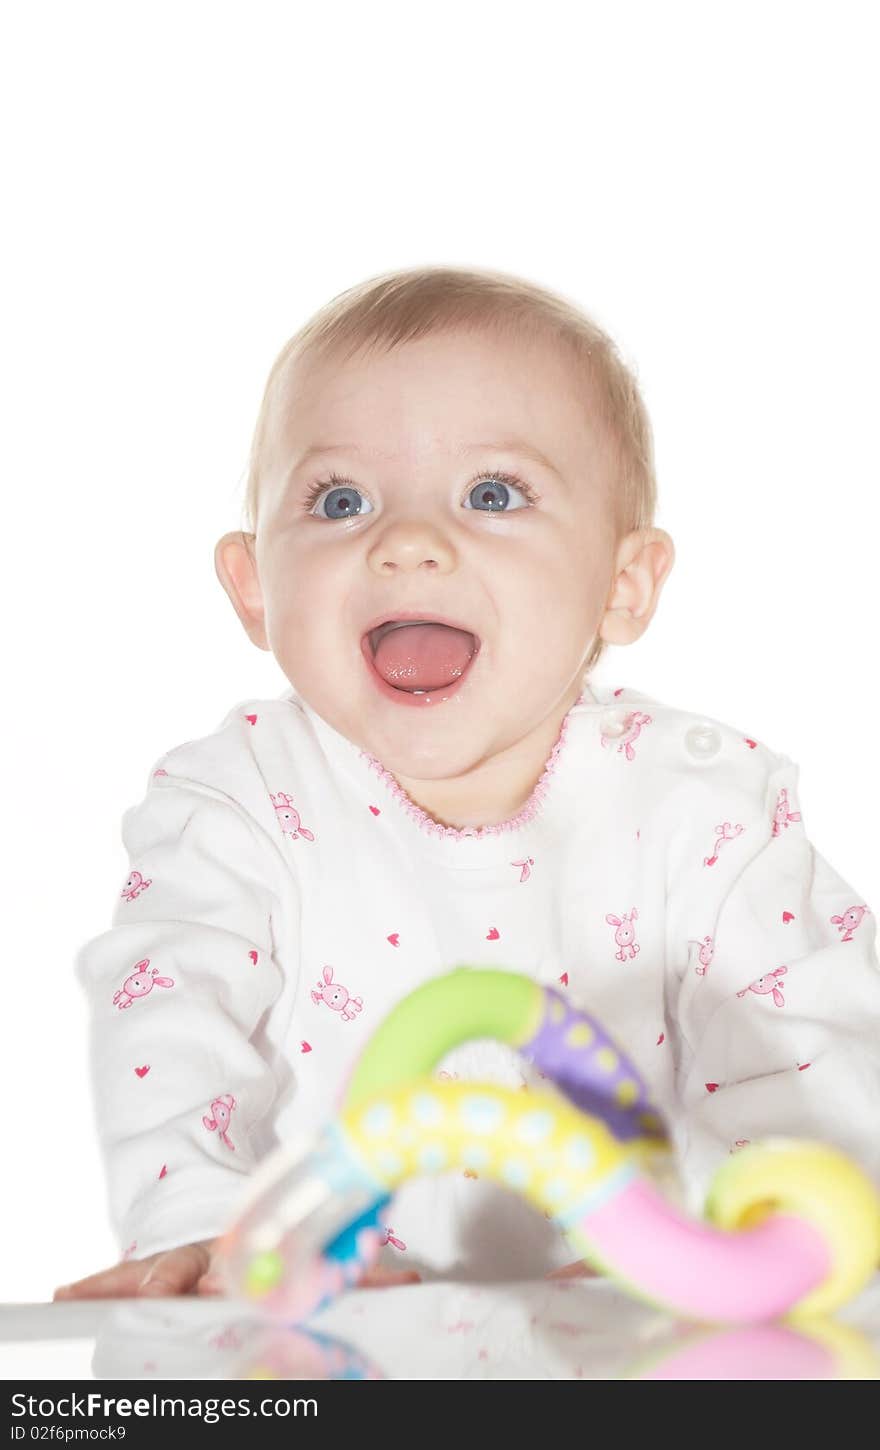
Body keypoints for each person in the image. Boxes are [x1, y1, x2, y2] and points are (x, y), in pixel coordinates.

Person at [55, 266, 880, 1302]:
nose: (405, 541)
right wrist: (205, 1235)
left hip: (639, 1326)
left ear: (622, 585)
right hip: (338, 1322)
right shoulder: (239, 800)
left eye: (493, 494)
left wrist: (698, 1235)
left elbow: (814, 1064)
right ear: (254, 586)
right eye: (339, 499)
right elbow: (172, 1025)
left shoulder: (704, 811)